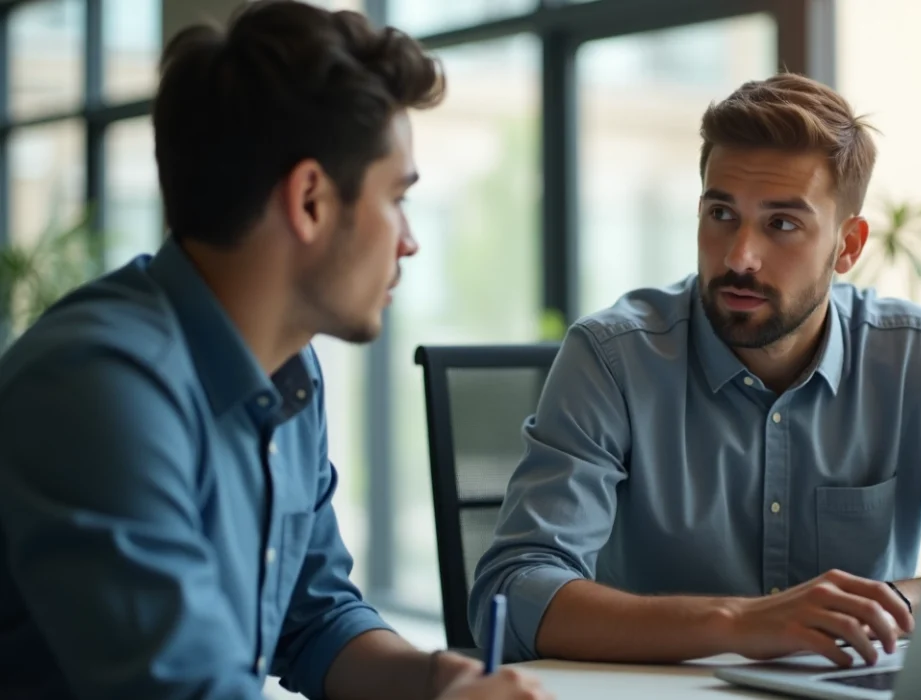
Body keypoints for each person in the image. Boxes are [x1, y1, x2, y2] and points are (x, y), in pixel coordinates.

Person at [0, 2, 550, 699]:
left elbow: (314, 619)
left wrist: (437, 680)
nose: (409, 240)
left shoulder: (290, 373)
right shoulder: (97, 387)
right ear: (311, 200)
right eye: (396, 198)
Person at [469, 72, 921, 669]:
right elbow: (512, 592)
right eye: (721, 214)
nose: (739, 257)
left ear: (848, 246)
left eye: (782, 224)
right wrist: (739, 623)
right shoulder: (612, 359)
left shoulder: (919, 358)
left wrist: (885, 606)